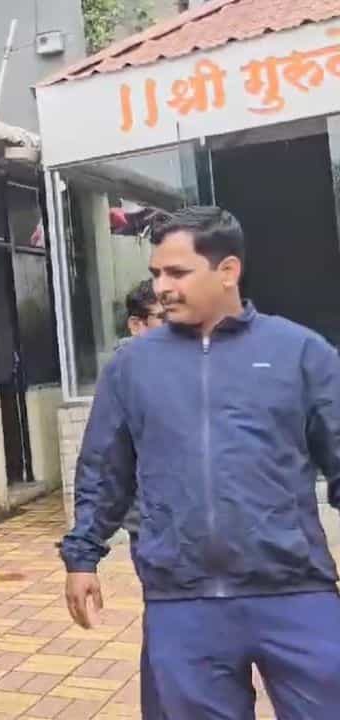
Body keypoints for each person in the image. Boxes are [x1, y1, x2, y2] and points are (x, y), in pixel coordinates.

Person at [62, 207, 340, 718]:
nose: (162, 287)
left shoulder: (300, 353)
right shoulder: (133, 366)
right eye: (156, 274)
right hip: (182, 600)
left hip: (294, 590)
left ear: (228, 270)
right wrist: (82, 557)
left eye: (177, 272)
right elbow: (104, 470)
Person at [118, 278, 166, 720]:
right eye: (163, 318)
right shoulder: (125, 378)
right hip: (153, 529)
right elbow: (105, 464)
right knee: (167, 626)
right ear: (137, 325)